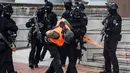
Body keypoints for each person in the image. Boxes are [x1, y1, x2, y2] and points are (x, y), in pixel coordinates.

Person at [100, 2, 122, 73]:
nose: (108, 9)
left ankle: (116, 71)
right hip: (107, 38)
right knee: (106, 54)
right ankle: (107, 70)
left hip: (113, 38)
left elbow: (117, 29)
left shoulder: (117, 17)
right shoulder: (109, 16)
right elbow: (104, 22)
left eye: (109, 8)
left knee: (112, 55)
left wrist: (109, 29)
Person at [0, 4, 18, 73]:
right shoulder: (5, 21)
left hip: (6, 44)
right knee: (3, 63)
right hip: (3, 46)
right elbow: (15, 28)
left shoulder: (8, 21)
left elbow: (14, 31)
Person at [60, 0, 73, 67]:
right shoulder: (66, 13)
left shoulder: (69, 13)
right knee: (65, 49)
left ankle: (64, 62)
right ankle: (64, 62)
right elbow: (61, 22)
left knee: (66, 49)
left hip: (69, 33)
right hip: (67, 33)